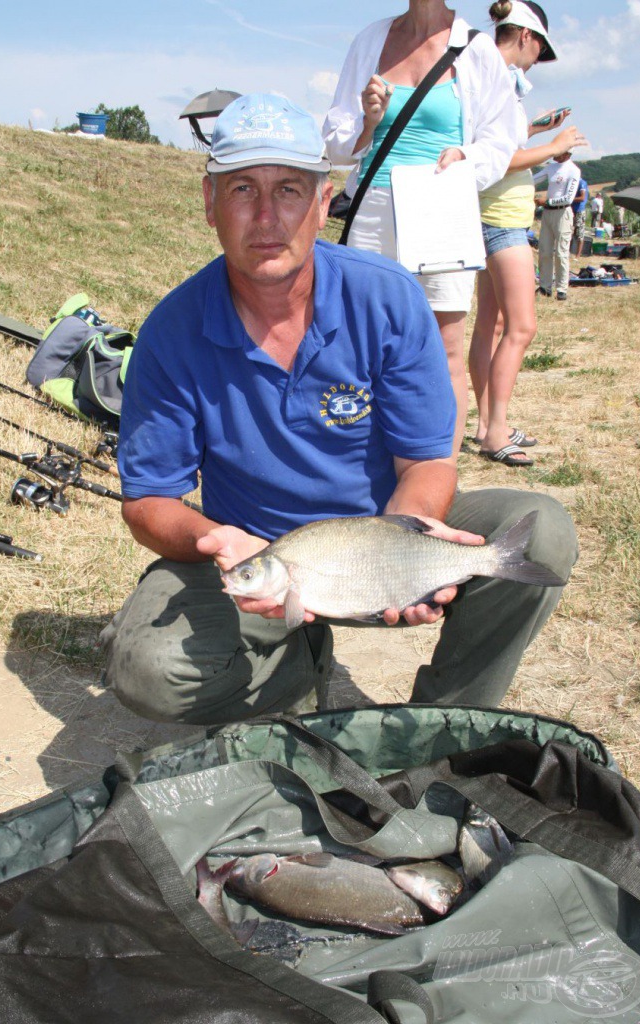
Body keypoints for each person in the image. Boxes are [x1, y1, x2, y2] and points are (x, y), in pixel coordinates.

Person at [101, 92, 577, 727]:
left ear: (324, 203)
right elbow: (148, 502)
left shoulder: (388, 298)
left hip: (385, 526)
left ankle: (446, 726)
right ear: (210, 203)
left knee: (540, 526)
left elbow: (428, 463)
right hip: (258, 550)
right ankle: (299, 663)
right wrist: (215, 540)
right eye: (243, 189)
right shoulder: (172, 329)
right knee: (147, 666)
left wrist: (402, 548)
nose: (267, 216)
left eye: (290, 190)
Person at [322, 0, 520, 458]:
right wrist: (368, 120)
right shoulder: (372, 40)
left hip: (441, 206)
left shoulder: (477, 50)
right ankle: (362, 467)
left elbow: (502, 137)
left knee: (444, 345)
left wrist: (466, 159)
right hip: (372, 211)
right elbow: (335, 145)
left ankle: (438, 475)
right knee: (357, 343)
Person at [468, 0, 587, 467]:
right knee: (522, 325)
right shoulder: (495, 76)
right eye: (540, 48)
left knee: (492, 324)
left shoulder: (489, 75)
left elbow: (501, 142)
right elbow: (492, 158)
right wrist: (553, 147)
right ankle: (495, 431)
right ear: (526, 37)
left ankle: (486, 422)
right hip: (501, 217)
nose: (539, 58)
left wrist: (538, 132)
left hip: (493, 213)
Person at [534, 150, 581, 299]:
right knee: (545, 251)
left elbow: (568, 198)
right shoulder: (551, 167)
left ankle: (562, 289)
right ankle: (544, 286)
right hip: (548, 213)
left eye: (560, 152)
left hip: (562, 213)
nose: (555, 153)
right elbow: (533, 179)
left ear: (568, 154)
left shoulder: (573, 170)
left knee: (561, 253)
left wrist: (547, 201)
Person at [572, 175, 588, 244]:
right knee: (572, 231)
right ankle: (571, 250)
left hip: (579, 210)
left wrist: (570, 199)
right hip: (573, 209)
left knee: (580, 233)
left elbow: (582, 198)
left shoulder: (581, 183)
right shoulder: (574, 183)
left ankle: (578, 254)